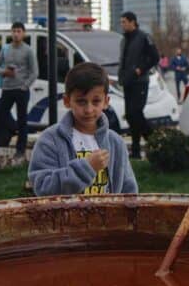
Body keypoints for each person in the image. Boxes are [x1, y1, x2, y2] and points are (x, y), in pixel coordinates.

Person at [28, 62, 138, 196]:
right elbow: (43, 188)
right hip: (66, 217)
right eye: (81, 101)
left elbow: (129, 192)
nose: (89, 109)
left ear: (106, 102)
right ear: (67, 101)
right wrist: (87, 168)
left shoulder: (115, 142)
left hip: (107, 217)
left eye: (96, 101)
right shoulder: (50, 140)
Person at [0, 22, 38, 166]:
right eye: (14, 31)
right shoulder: (5, 49)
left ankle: (20, 151)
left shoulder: (28, 50)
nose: (16, 34)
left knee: (22, 121)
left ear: (23, 33)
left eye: (18, 31)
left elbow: (34, 72)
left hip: (21, 90)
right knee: (0, 119)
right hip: (7, 89)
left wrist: (25, 86)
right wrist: (4, 72)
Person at [118, 12, 159, 159]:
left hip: (140, 82)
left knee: (136, 113)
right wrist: (121, 77)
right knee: (130, 115)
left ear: (132, 22)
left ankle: (155, 141)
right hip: (128, 81)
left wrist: (140, 69)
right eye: (121, 22)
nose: (122, 25)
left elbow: (155, 57)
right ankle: (136, 151)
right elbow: (123, 60)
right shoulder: (124, 39)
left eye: (124, 22)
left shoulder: (143, 37)